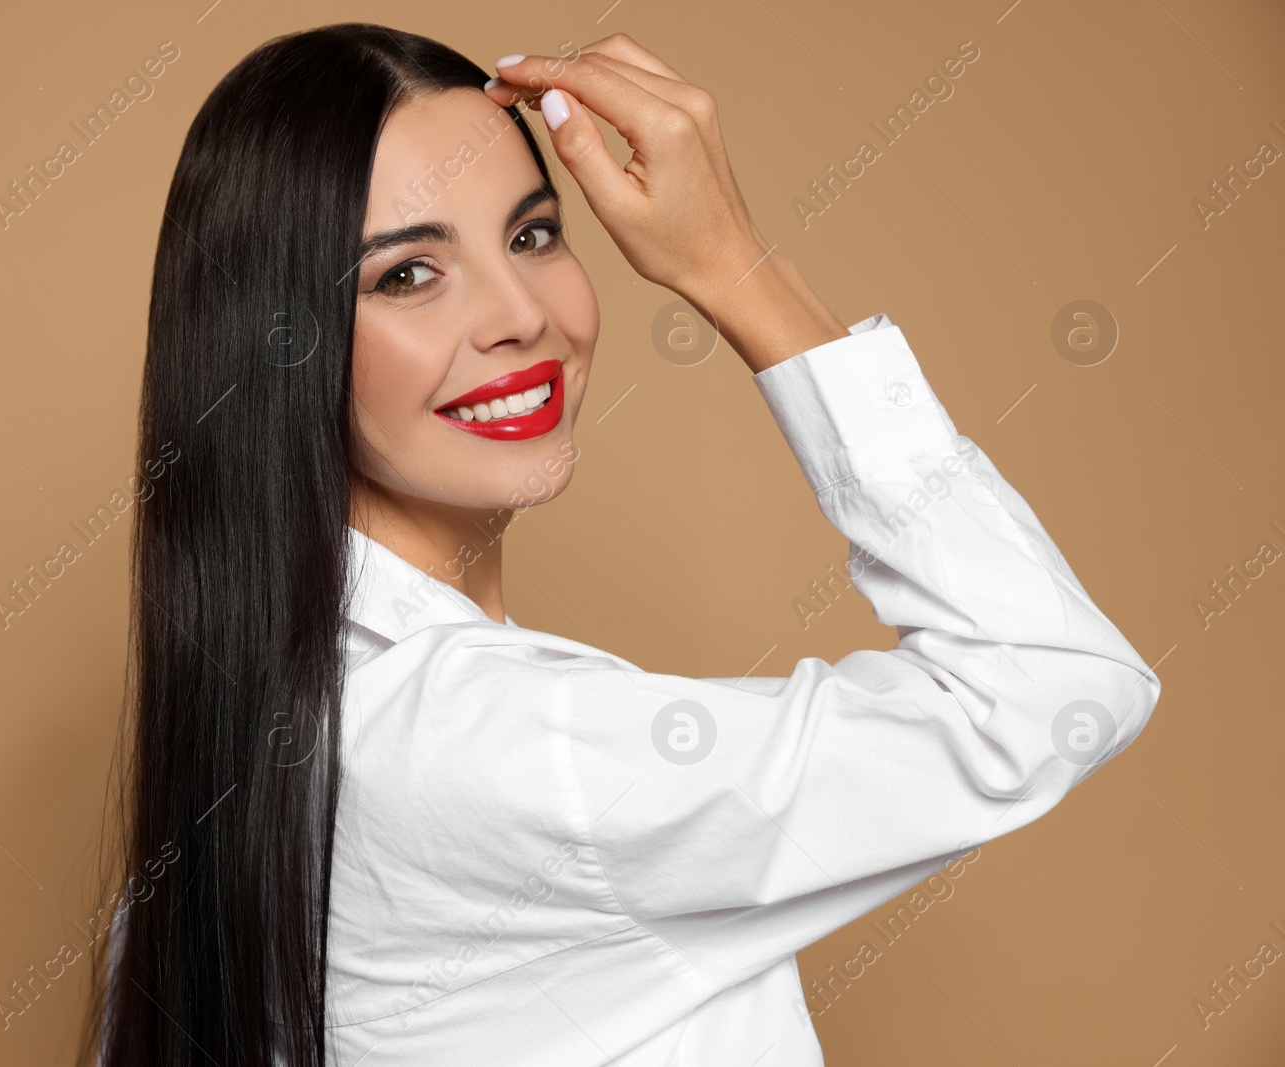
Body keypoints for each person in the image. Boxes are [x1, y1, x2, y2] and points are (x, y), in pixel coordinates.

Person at [83, 23, 1161, 1067]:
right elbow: (1051, 683)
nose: (520, 314)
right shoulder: (511, 745)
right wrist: (737, 266)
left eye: (533, 233)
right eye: (407, 273)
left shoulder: (241, 753)